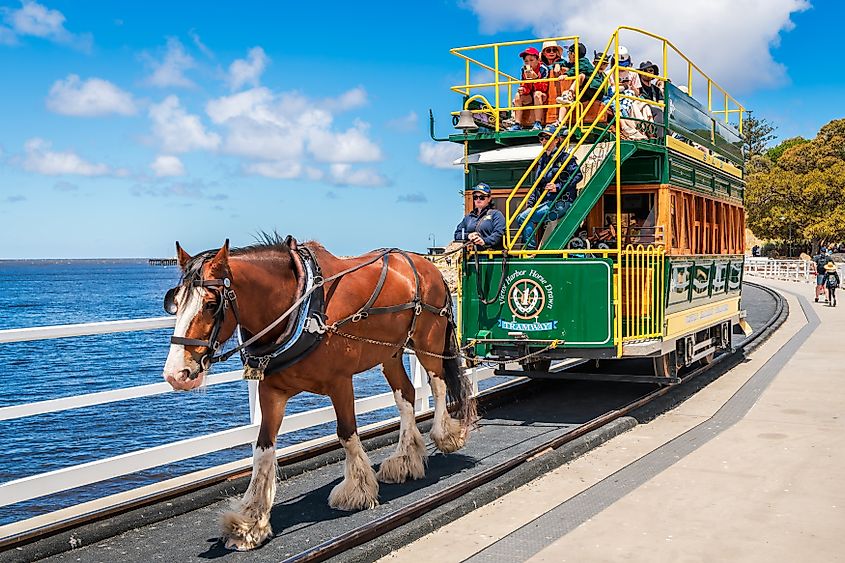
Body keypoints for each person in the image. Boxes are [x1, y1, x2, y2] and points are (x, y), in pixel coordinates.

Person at [516, 126, 584, 249]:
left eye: (547, 137)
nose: (544, 141)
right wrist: (531, 202)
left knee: (525, 217)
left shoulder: (565, 157)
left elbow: (578, 176)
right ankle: (531, 250)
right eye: (541, 138)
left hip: (562, 201)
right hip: (546, 202)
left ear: (556, 140)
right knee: (521, 217)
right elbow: (537, 184)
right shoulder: (542, 159)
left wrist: (558, 186)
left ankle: (530, 250)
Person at [555, 43, 604, 129]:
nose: (568, 56)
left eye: (568, 53)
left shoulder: (583, 61)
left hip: (595, 89)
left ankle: (569, 94)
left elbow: (577, 69)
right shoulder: (574, 63)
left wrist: (566, 74)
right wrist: (558, 64)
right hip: (585, 91)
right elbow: (566, 63)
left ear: (573, 54)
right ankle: (560, 122)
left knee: (581, 76)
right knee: (564, 96)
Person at [454, 183, 506, 249]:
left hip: (492, 256)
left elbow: (498, 234)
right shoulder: (468, 218)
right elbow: (457, 235)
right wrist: (468, 236)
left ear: (489, 198)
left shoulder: (496, 215)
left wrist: (484, 241)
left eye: (482, 197)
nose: (478, 200)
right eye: (475, 197)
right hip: (472, 257)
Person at [511, 47, 549, 131]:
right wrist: (523, 89)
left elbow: (544, 88)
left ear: (538, 60)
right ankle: (517, 123)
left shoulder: (543, 69)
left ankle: (538, 122)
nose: (529, 63)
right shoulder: (524, 69)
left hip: (542, 95)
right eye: (526, 61)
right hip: (530, 95)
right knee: (518, 96)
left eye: (531, 60)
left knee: (537, 94)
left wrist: (535, 78)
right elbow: (525, 85)